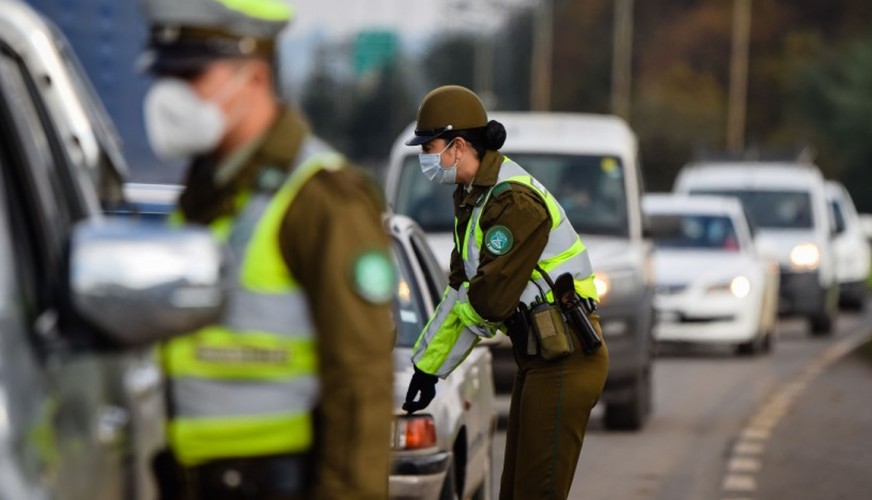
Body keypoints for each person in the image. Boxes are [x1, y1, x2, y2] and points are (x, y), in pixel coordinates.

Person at [138, 1, 396, 498]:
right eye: (165, 75)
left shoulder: (322, 199)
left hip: (275, 481)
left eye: (191, 75)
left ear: (253, 79)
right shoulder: (206, 192)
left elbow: (360, 387)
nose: (170, 95)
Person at [402, 85, 609, 499]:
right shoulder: (473, 199)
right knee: (515, 491)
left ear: (458, 146)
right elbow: (460, 293)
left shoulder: (512, 201)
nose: (425, 156)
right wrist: (427, 367)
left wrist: (469, 306)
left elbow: (488, 303)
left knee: (535, 492)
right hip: (538, 358)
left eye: (431, 146)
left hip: (566, 359)